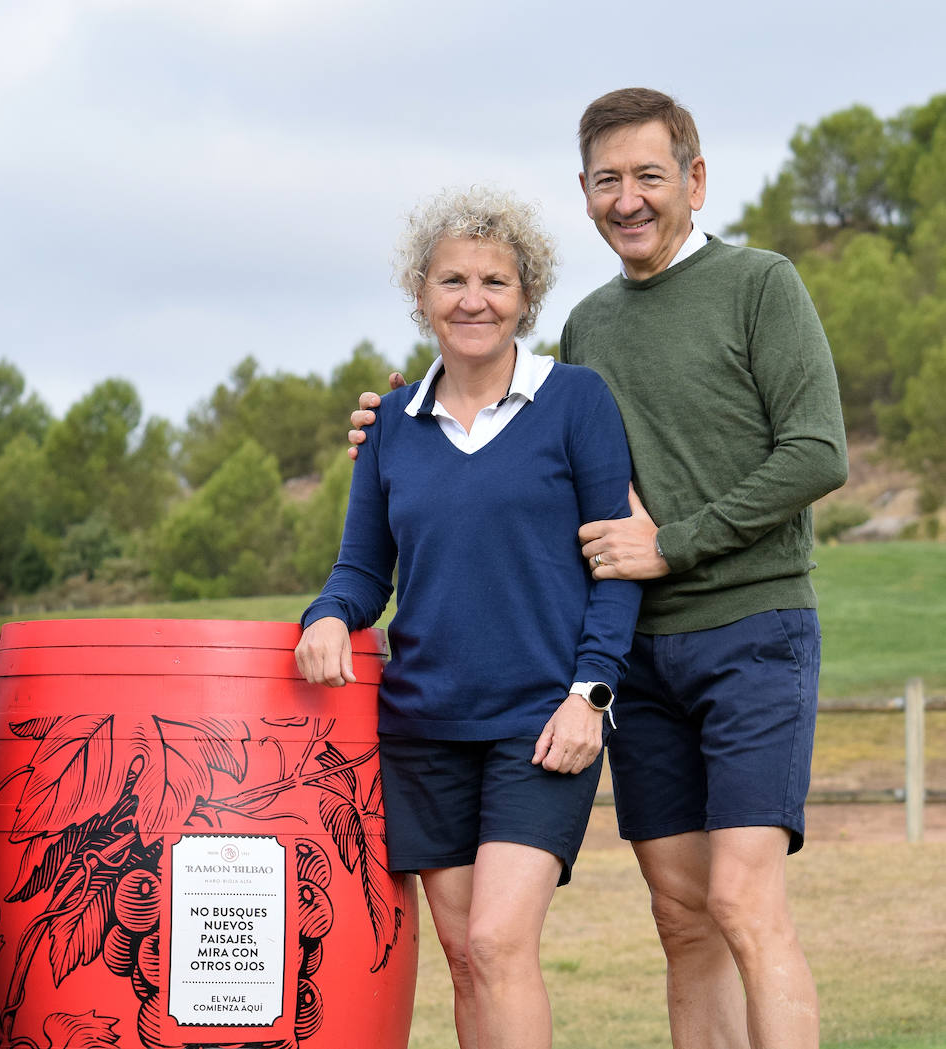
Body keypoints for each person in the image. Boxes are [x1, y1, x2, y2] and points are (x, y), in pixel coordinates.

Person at [349, 89, 849, 1049]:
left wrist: (674, 541)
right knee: (681, 914)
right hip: (644, 660)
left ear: (694, 182)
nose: (629, 199)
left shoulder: (761, 283)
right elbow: (519, 446)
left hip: (753, 630)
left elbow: (817, 452)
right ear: (583, 193)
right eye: (608, 180)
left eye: (650, 176)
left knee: (743, 898)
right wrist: (392, 426)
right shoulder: (587, 329)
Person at [296, 186, 642, 1049]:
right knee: (461, 953)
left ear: (526, 295)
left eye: (496, 280)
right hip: (422, 726)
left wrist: (592, 695)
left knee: (498, 939)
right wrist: (329, 616)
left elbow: (619, 562)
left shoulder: (577, 402)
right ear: (420, 293)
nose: (473, 298)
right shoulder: (391, 428)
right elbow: (362, 571)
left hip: (542, 722)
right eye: (452, 279)